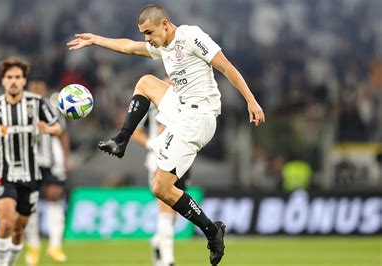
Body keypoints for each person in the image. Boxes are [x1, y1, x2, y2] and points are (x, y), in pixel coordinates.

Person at [68, 4, 265, 265]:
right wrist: (96, 40)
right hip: (181, 109)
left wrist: (251, 101)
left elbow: (226, 67)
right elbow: (129, 46)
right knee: (146, 82)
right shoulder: (162, 46)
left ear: (164, 24)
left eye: (148, 31)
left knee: (161, 188)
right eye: (143, 33)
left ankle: (212, 231)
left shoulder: (191, 36)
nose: (146, 38)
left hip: (199, 117)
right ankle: (121, 140)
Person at [0, 57, 62, 266]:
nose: (13, 81)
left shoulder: (36, 104)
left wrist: (47, 129)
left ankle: (11, 263)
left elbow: (58, 128)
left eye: (18, 77)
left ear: (24, 81)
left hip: (30, 174)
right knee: (6, 223)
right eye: (9, 77)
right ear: (3, 81)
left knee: (18, 229)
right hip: (2, 172)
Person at [131, 83, 191, 266]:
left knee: (173, 212)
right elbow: (136, 131)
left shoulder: (187, 102)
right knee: (165, 207)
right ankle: (167, 260)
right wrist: (152, 144)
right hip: (158, 159)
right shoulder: (152, 107)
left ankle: (158, 241)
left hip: (182, 158)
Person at [24, 80, 70, 265]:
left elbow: (63, 133)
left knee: (55, 196)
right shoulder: (20, 109)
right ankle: (33, 246)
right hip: (29, 160)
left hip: (53, 160)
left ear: (45, 89)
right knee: (30, 202)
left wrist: (66, 158)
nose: (36, 90)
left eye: (39, 87)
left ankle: (55, 245)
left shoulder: (54, 107)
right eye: (33, 87)